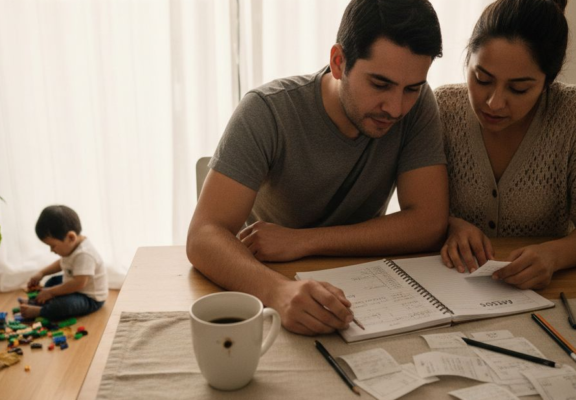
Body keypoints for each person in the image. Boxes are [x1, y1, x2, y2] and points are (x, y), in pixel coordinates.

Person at [187, 0, 449, 336]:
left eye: (412, 88)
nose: (396, 108)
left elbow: (428, 222)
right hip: (266, 281)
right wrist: (277, 292)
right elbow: (203, 235)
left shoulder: (418, 105)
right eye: (380, 84)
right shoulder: (267, 111)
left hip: (365, 290)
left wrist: (304, 240)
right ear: (339, 62)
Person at [436, 0, 576, 290]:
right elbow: (417, 209)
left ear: (548, 81)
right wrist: (450, 224)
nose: (494, 103)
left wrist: (553, 255)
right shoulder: (442, 108)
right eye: (482, 78)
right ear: (467, 60)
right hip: (450, 285)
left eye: (519, 88)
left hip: (544, 290)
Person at [19, 205, 108, 320]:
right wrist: (42, 273)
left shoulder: (85, 254)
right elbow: (62, 263)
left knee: (64, 305)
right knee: (52, 281)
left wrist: (51, 292)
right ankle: (40, 300)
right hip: (74, 285)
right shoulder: (72, 246)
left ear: (71, 237)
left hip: (89, 298)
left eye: (53, 246)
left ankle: (42, 311)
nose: (51, 250)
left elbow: (79, 283)